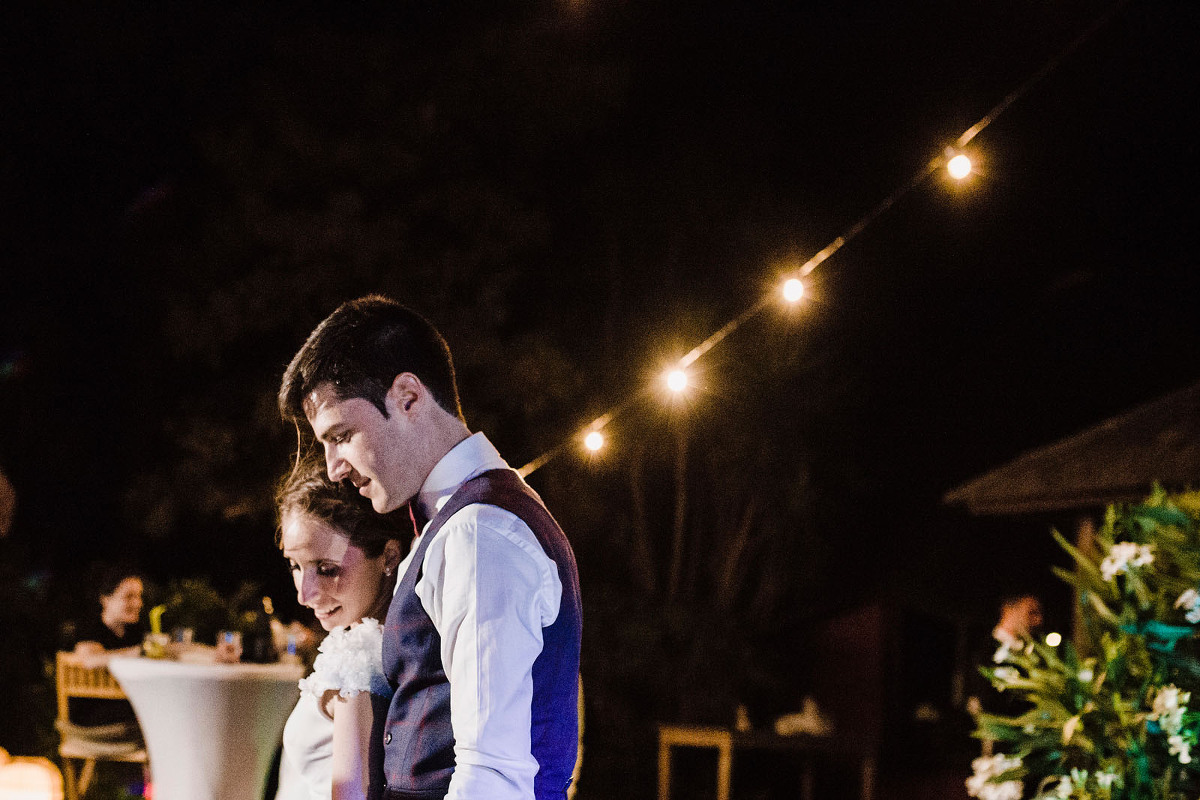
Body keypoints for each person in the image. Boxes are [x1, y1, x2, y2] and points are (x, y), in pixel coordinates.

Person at [278, 295, 582, 800]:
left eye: (343, 435)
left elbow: (492, 776)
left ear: (409, 397)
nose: (333, 466)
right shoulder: (456, 522)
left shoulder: (480, 530)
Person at [275, 457, 405, 800]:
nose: (306, 594)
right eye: (295, 566)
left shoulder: (357, 661)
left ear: (389, 557)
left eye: (327, 568)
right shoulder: (376, 644)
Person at [69, 564, 147, 728]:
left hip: (124, 708)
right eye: (129, 597)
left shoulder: (135, 632)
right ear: (106, 599)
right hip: (91, 716)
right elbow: (89, 660)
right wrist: (137, 652)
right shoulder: (89, 628)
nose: (138, 603)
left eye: (139, 596)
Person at [966, 593, 1044, 754]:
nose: (1038, 621)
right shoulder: (984, 651)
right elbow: (984, 703)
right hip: (1000, 746)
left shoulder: (1036, 651)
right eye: (1031, 612)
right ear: (1008, 611)